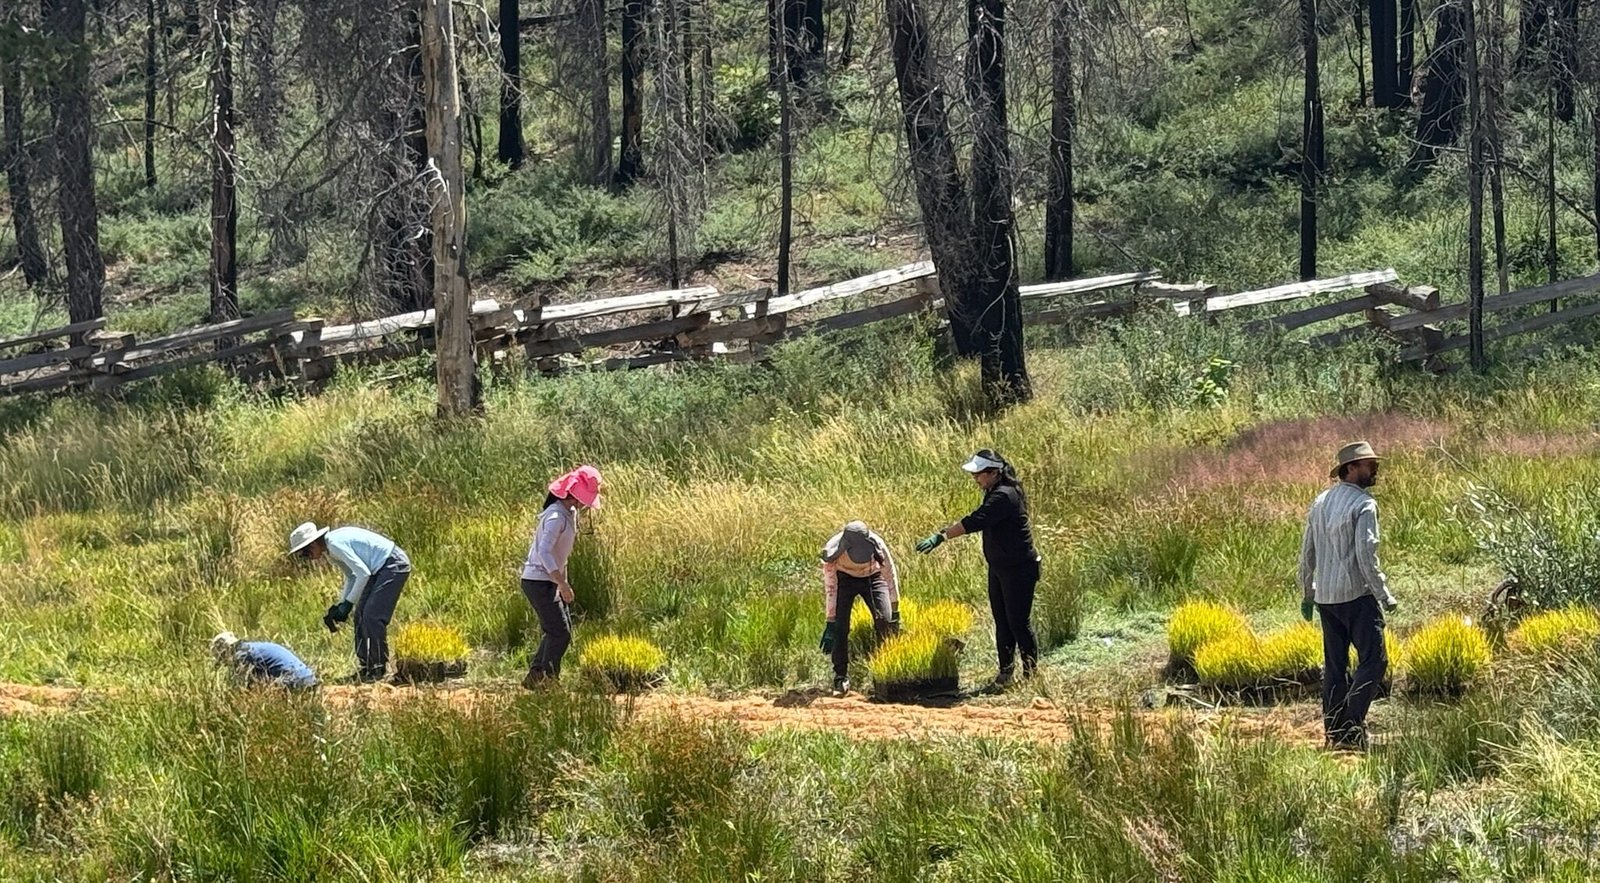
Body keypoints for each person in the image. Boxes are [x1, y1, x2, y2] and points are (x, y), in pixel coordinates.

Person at [1298, 441, 1398, 751]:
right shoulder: (1364, 504)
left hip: (1326, 598)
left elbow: (1307, 552)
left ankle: (1334, 730)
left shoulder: (1320, 502)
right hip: (1357, 596)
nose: (1375, 470)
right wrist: (1384, 594)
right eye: (1369, 465)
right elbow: (1366, 555)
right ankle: (1351, 725)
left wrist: (1308, 593)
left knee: (1335, 665)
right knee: (1375, 661)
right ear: (1350, 469)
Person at [915, 449, 1041, 687]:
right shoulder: (993, 491)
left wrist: (942, 536)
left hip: (1018, 569)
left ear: (994, 473)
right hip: (1000, 568)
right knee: (1002, 622)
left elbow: (976, 520)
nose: (975, 479)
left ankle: (1031, 676)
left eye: (978, 474)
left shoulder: (1004, 495)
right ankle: (1005, 674)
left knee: (1018, 623)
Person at [288, 522, 412, 683]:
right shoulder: (330, 551)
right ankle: (366, 667)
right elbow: (352, 576)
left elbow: (363, 574)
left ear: (313, 544)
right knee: (360, 615)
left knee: (372, 617)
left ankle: (378, 668)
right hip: (377, 569)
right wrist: (341, 604)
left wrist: (347, 604)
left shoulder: (334, 544)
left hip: (393, 564)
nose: (306, 558)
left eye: (305, 553)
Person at [521, 465, 603, 688]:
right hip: (538, 581)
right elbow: (544, 552)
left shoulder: (569, 514)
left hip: (549, 581)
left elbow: (561, 556)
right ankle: (547, 680)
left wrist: (561, 584)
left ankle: (536, 676)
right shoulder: (556, 516)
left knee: (556, 630)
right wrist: (562, 583)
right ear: (575, 494)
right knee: (560, 633)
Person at [818, 520, 901, 696]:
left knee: (885, 622)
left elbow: (890, 576)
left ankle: (885, 674)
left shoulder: (878, 544)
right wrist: (831, 621)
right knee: (840, 627)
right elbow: (831, 588)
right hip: (844, 580)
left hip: (873, 577)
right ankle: (840, 677)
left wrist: (895, 611)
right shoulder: (832, 551)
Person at [210, 631, 319, 689]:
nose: (225, 663)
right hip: (309, 677)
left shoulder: (242, 656)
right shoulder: (253, 646)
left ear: (226, 651)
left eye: (222, 658)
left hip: (294, 681)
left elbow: (243, 687)